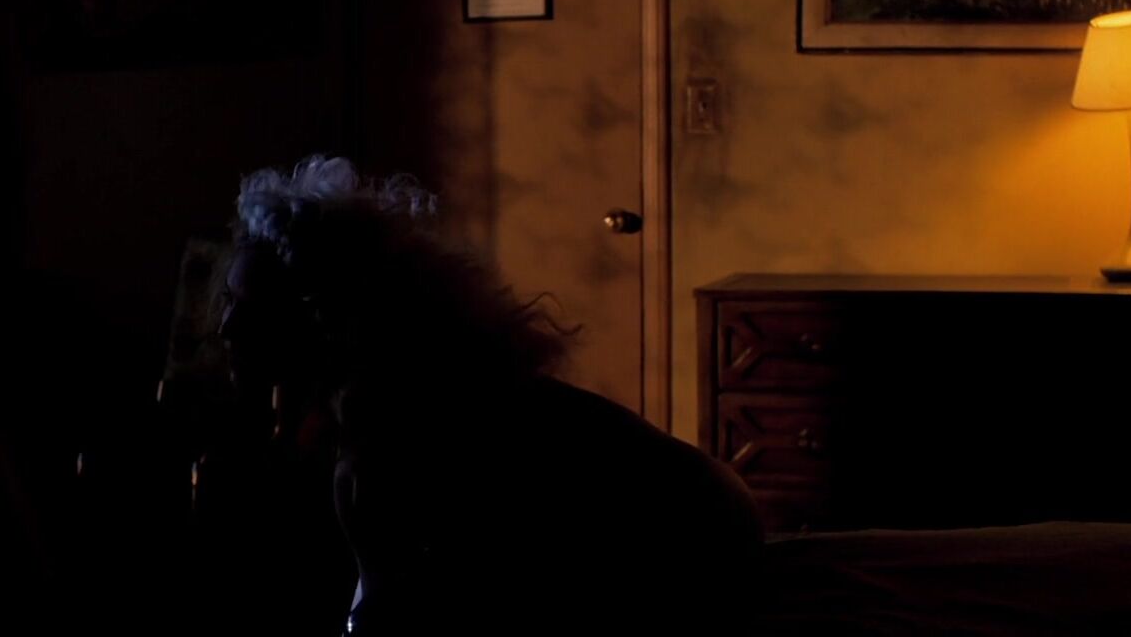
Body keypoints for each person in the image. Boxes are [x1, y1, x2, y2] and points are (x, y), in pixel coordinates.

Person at [217, 156, 763, 635]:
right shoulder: (433, 393)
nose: (226, 326)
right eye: (228, 301)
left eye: (251, 307)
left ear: (325, 317)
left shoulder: (405, 439)